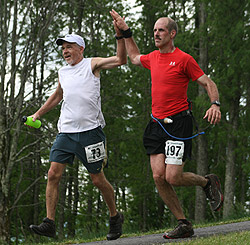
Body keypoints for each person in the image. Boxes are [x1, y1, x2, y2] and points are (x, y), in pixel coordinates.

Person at [110, 9, 223, 239]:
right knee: (158, 176)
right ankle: (183, 223)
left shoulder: (184, 59)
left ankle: (206, 182)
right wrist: (125, 32)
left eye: (161, 30)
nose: (156, 34)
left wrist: (215, 104)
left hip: (178, 124)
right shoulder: (152, 57)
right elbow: (133, 58)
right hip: (156, 124)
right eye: (154, 30)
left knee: (173, 177)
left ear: (172, 34)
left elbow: (207, 82)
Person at [29, 19, 127, 241]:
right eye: (63, 48)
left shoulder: (92, 64)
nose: (65, 51)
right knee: (53, 173)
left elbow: (121, 60)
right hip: (66, 132)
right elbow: (57, 95)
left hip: (91, 133)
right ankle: (49, 223)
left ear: (80, 48)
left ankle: (115, 217)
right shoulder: (63, 72)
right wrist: (38, 114)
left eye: (69, 47)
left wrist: (120, 36)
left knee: (97, 180)